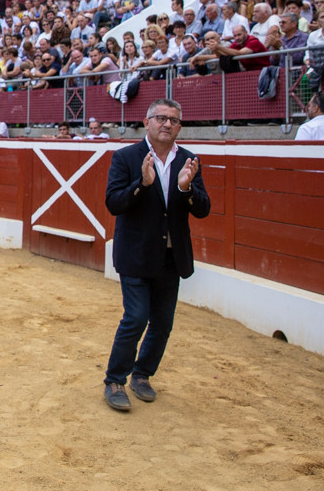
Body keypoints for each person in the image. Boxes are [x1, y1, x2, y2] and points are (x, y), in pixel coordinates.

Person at [102, 99, 209, 412]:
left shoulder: (189, 160)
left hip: (170, 257)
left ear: (179, 127)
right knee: (136, 318)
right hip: (135, 253)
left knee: (162, 323)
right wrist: (143, 184)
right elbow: (114, 203)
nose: (167, 124)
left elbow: (203, 209)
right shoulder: (125, 158)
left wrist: (187, 189)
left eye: (174, 120)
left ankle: (143, 374)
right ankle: (114, 380)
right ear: (146, 122)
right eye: (161, 118)